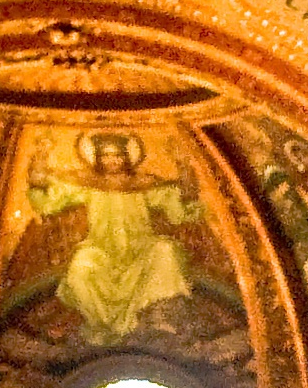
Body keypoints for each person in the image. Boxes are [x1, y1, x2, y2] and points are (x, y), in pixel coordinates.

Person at [28, 132, 195, 337]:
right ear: (98, 159)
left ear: (126, 157)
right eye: (106, 156)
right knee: (81, 265)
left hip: (141, 248)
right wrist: (40, 157)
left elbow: (180, 208)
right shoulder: (89, 184)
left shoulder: (143, 184)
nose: (112, 161)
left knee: (165, 250)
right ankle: (94, 319)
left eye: (117, 156)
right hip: (100, 251)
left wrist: (183, 165)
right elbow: (47, 201)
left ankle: (156, 314)